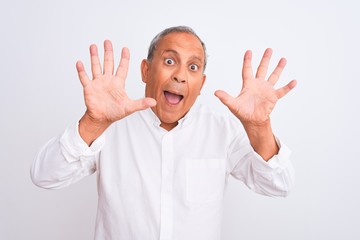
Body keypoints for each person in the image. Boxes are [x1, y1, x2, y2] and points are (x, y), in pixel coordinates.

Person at [31, 26, 297, 240]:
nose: (181, 76)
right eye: (170, 61)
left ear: (201, 83)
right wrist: (93, 122)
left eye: (193, 67)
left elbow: (279, 185)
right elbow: (44, 176)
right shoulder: (109, 127)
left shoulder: (222, 131)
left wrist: (259, 128)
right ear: (146, 71)